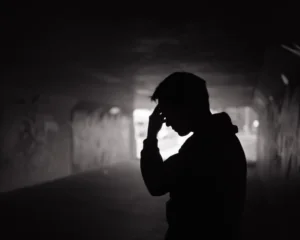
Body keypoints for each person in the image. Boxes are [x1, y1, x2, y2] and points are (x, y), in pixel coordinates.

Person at [140, 72, 247, 239]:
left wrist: (151, 135)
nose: (167, 122)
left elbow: (156, 183)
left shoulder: (204, 147)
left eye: (168, 113)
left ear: (185, 106)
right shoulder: (222, 137)